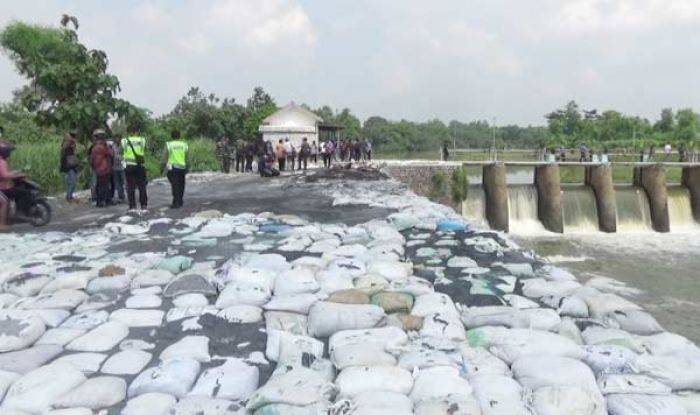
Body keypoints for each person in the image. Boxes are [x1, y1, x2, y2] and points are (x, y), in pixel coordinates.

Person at [0, 141, 25, 231]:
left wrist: (15, 172)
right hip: (1, 189)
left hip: (3, 187)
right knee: (4, 202)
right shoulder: (1, 162)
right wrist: (16, 175)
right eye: (8, 152)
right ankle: (2, 225)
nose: (9, 154)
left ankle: (10, 217)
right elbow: (4, 175)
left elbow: (5, 174)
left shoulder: (2, 161)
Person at [123, 126, 148, 212]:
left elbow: (123, 150)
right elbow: (143, 150)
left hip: (129, 166)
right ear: (137, 131)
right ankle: (144, 205)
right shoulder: (142, 140)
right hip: (139, 166)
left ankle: (132, 206)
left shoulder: (125, 141)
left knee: (130, 187)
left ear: (129, 132)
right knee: (142, 186)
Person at [163, 129, 189, 209]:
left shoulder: (169, 144)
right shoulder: (184, 144)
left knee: (174, 185)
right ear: (179, 136)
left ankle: (176, 202)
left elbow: (165, 157)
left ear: (171, 136)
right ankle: (180, 200)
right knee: (181, 184)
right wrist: (187, 166)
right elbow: (187, 156)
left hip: (172, 167)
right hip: (182, 167)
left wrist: (162, 167)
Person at [90, 130, 114, 208]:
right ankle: (107, 200)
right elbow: (111, 154)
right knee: (105, 185)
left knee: (99, 185)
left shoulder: (94, 147)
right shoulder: (104, 146)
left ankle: (99, 201)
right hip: (105, 168)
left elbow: (92, 159)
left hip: (98, 168)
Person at [60, 132, 79, 202]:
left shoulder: (67, 147)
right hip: (69, 167)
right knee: (72, 182)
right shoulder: (66, 147)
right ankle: (69, 196)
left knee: (71, 182)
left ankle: (69, 195)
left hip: (70, 166)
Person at [110, 136, 126, 203]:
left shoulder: (123, 146)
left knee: (125, 182)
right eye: (116, 139)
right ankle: (121, 196)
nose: (117, 140)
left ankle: (130, 195)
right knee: (118, 183)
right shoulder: (112, 146)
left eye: (118, 139)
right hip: (115, 167)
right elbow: (112, 155)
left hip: (122, 166)